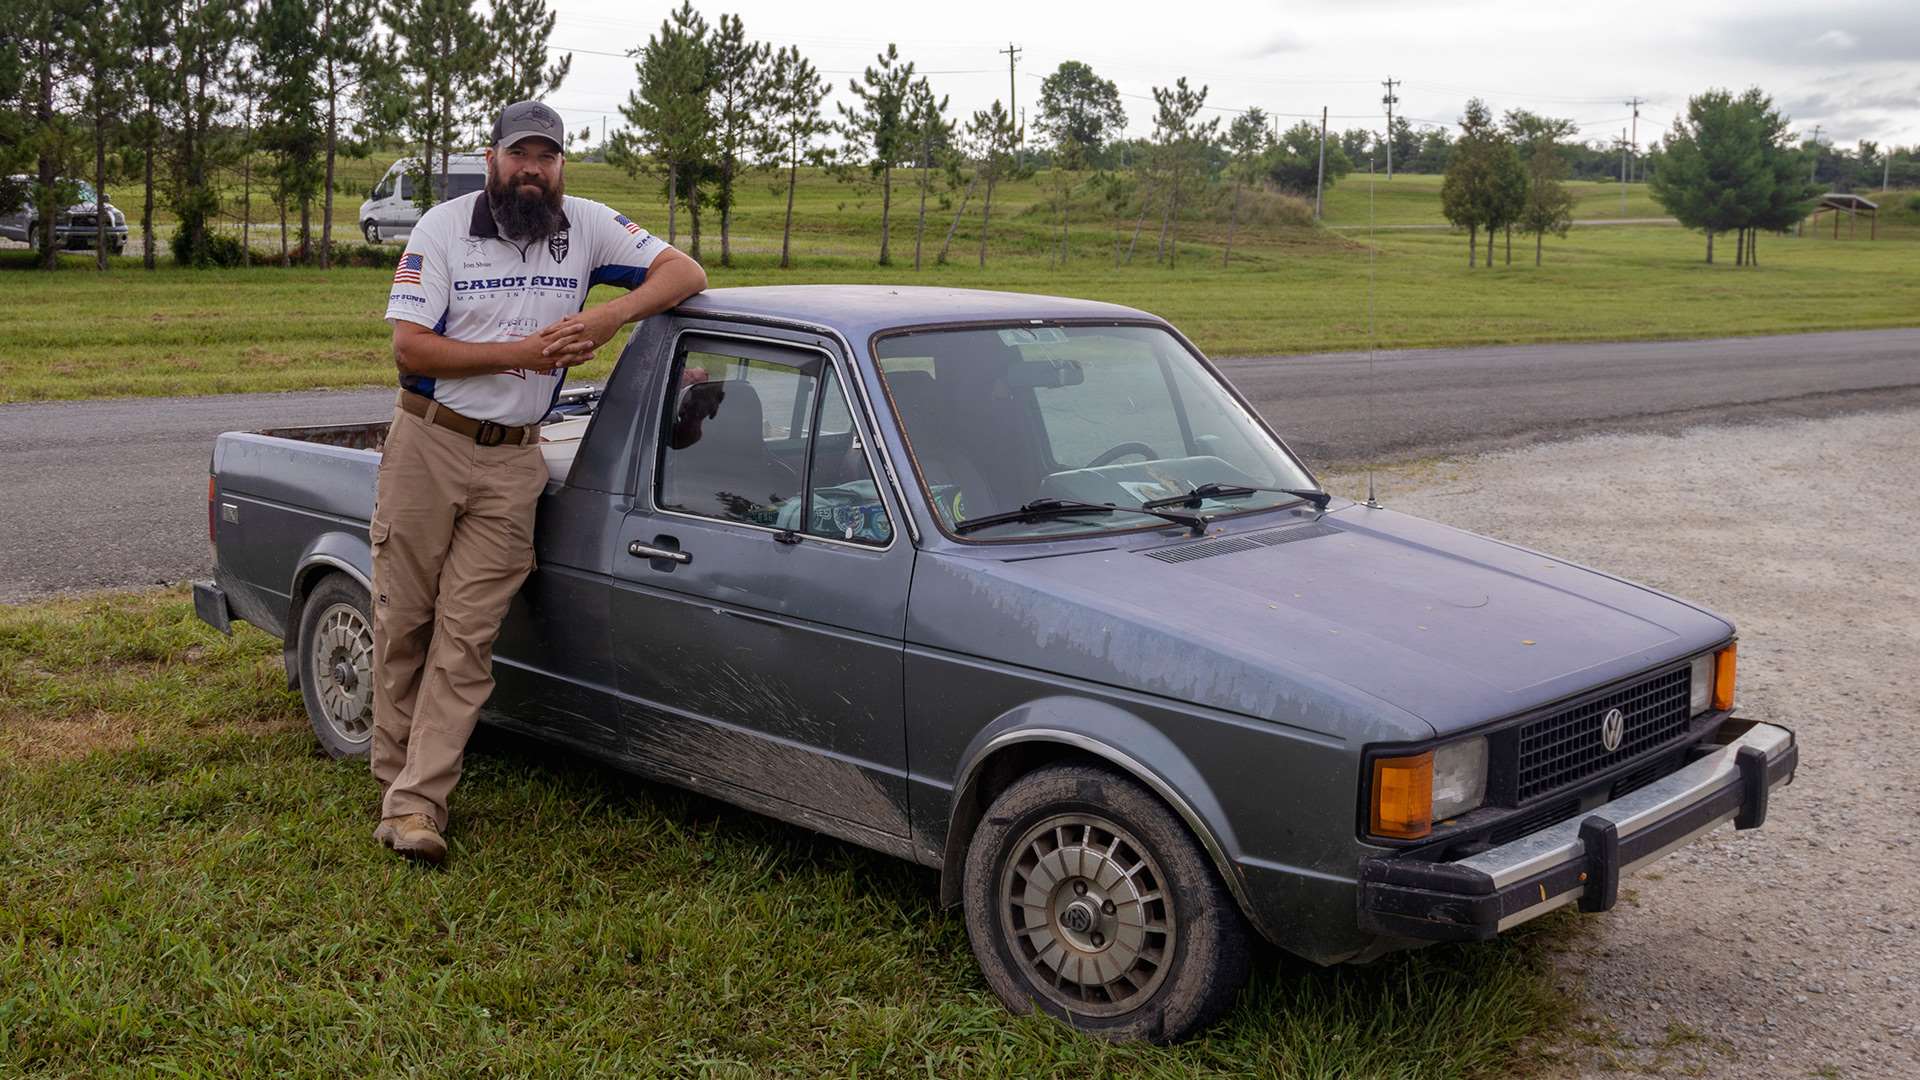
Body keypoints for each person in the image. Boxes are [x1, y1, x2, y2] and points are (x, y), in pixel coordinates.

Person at [372, 100, 706, 864]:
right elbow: (411, 351)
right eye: (520, 156)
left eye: (547, 158)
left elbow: (684, 271)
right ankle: (394, 782)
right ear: (491, 159)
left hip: (514, 462)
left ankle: (420, 805)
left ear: (562, 167)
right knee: (405, 624)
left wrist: (608, 318)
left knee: (467, 637)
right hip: (431, 442)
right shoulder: (443, 229)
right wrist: (518, 353)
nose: (533, 170)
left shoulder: (583, 227)